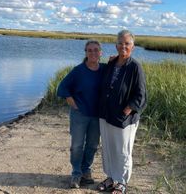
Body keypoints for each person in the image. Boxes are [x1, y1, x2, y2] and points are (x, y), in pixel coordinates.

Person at [97, 30, 147, 194]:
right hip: (105, 114)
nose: (123, 46)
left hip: (124, 119)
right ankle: (111, 177)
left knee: (123, 151)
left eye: (127, 43)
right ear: (116, 45)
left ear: (132, 46)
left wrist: (126, 110)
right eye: (120, 43)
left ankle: (122, 182)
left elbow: (141, 95)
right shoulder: (111, 63)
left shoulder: (135, 67)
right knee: (108, 148)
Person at [57, 40, 105, 189]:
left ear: (100, 53)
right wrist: (74, 105)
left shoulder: (105, 69)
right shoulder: (78, 70)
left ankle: (86, 170)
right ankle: (76, 174)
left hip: (97, 115)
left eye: (96, 50)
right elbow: (62, 88)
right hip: (80, 114)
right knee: (77, 146)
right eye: (89, 50)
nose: (93, 53)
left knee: (92, 145)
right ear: (85, 53)